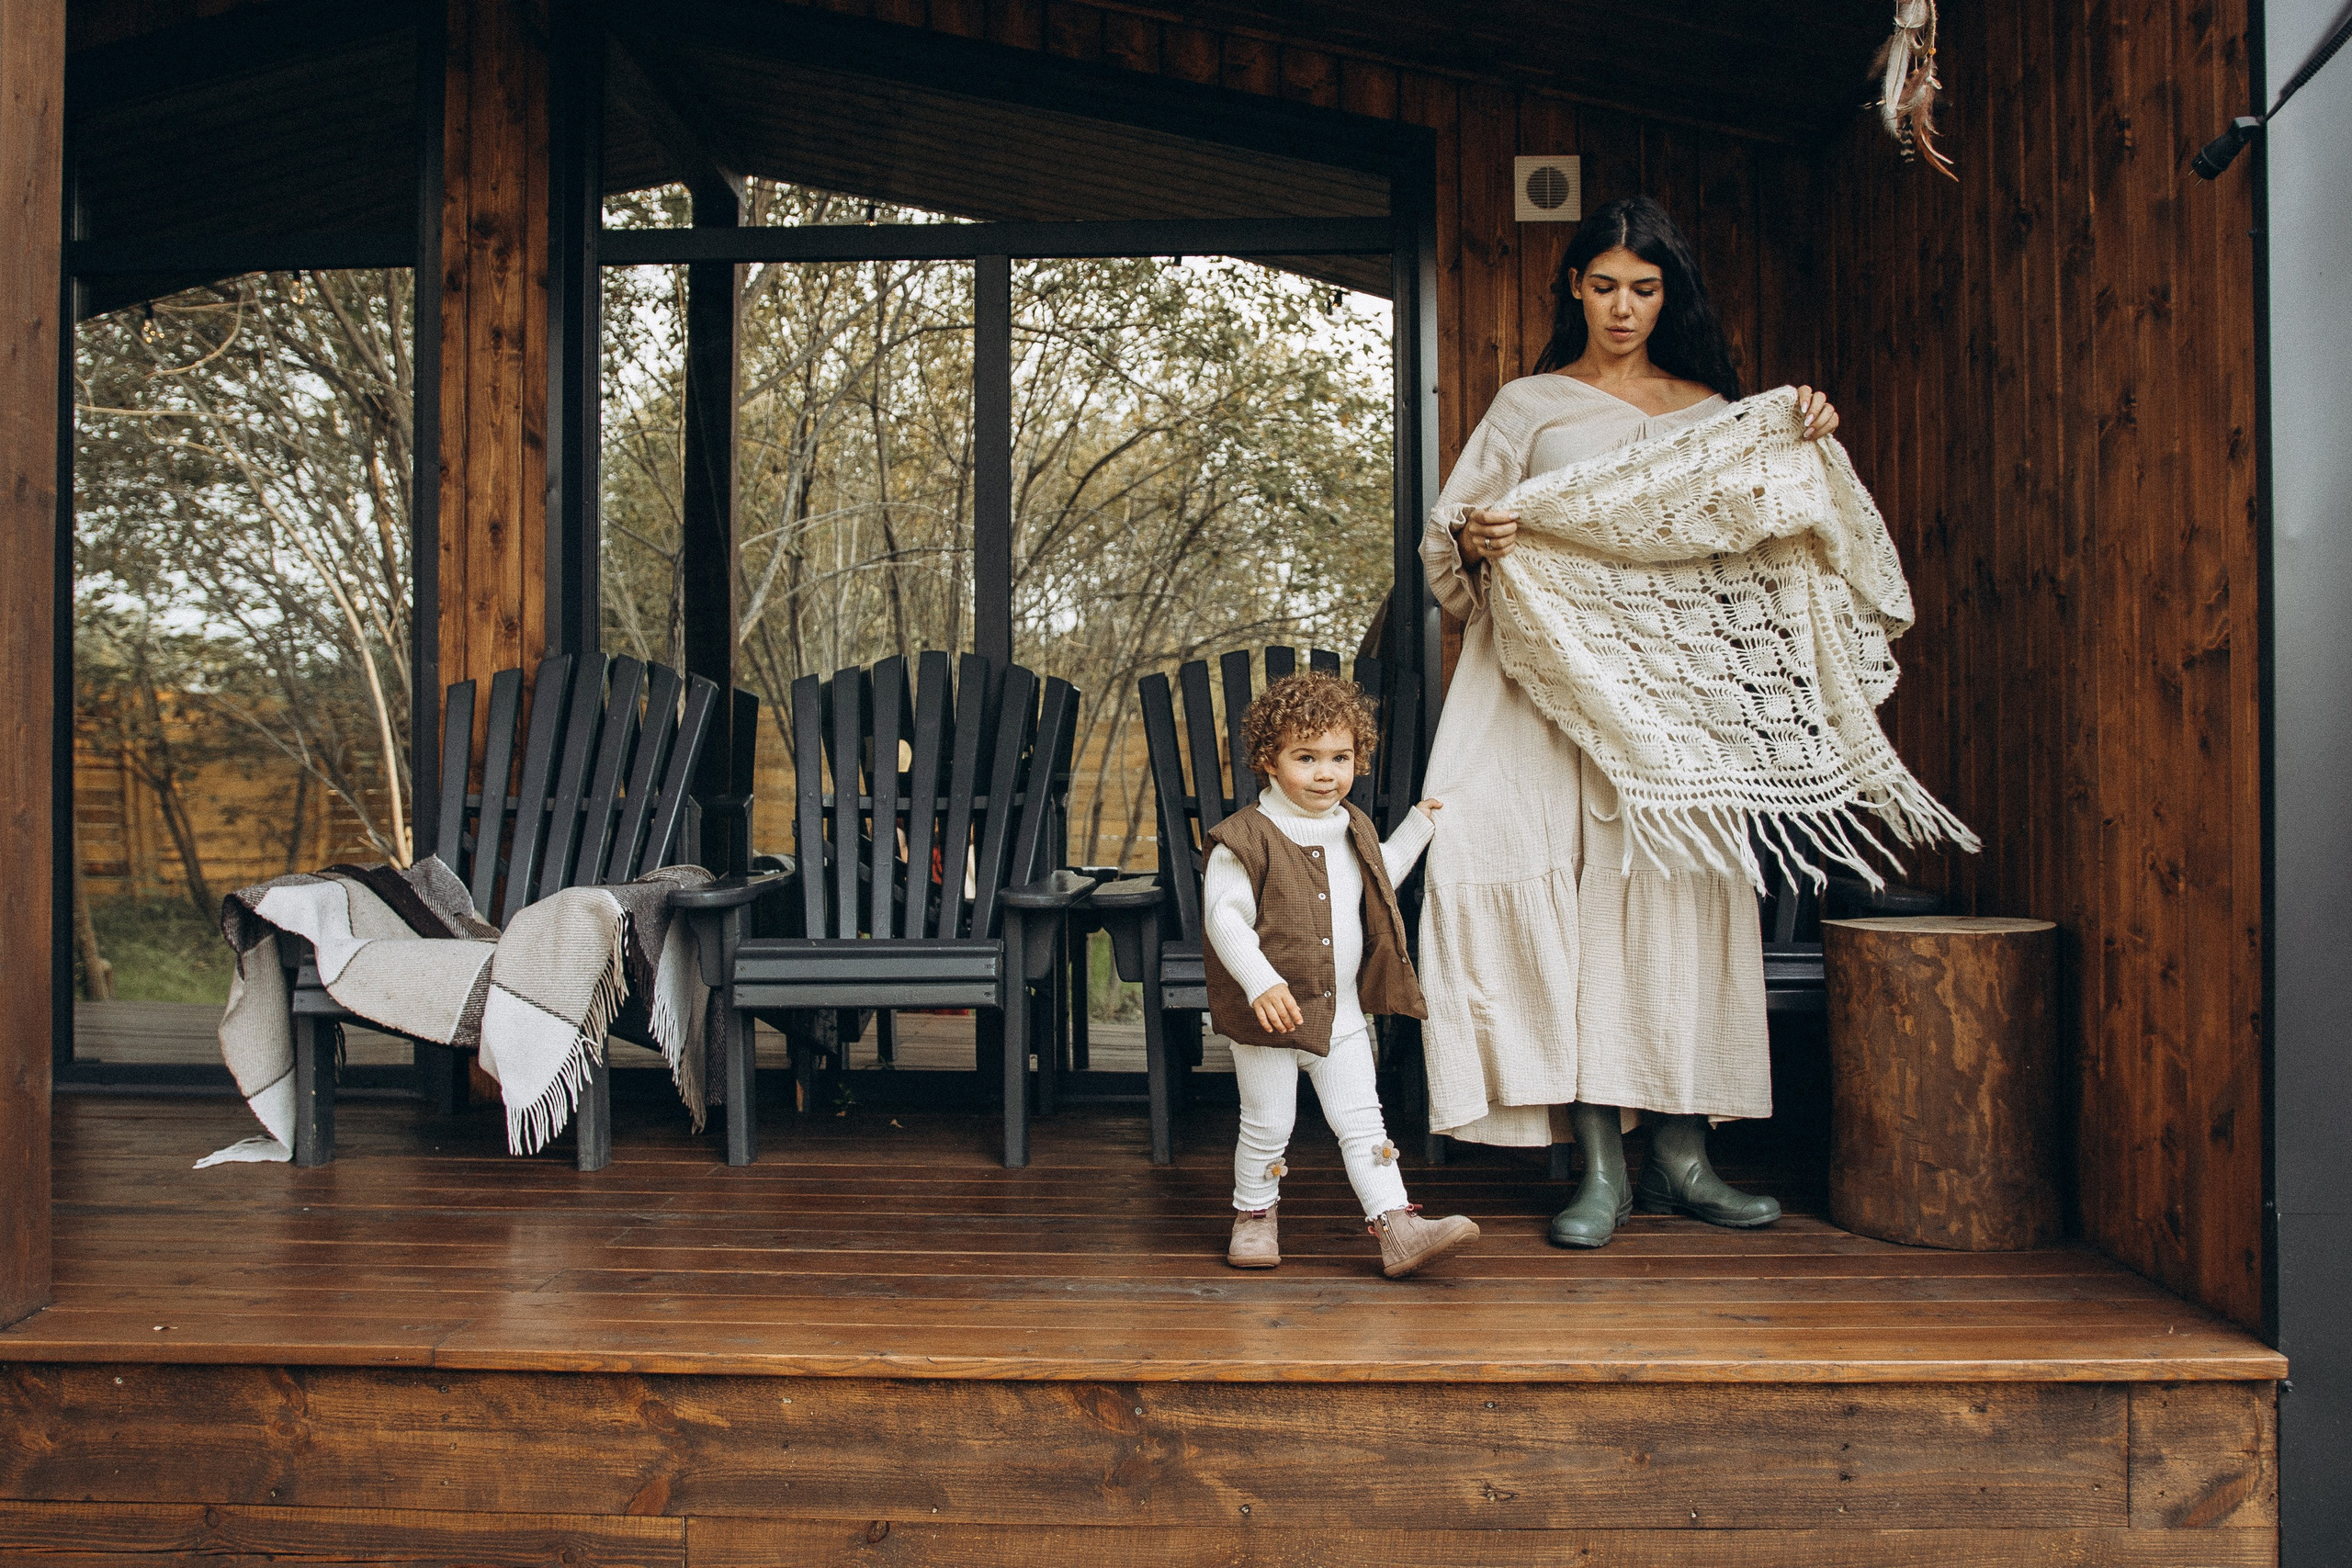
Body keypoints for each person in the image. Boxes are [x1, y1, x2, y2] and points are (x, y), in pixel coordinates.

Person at [1419, 195, 1842, 1249]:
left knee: (1678, 907)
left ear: (1669, 294)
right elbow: (1446, 554)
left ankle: (1684, 1159)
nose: (1622, 307)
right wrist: (1478, 540)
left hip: (1675, 704)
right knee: (1571, 902)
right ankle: (1600, 1164)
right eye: (1603, 284)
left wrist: (1805, 444)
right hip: (1546, 704)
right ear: (1573, 287)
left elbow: (1760, 548)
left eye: (1643, 288)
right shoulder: (1528, 407)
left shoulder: (1713, 413)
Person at [1203, 671, 1480, 1278]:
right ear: (1268, 761)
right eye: (1306, 757)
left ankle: (1397, 1224)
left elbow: (1381, 875)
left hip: (1340, 1012)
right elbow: (1224, 919)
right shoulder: (1244, 839)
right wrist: (1261, 980)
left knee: (1363, 1122)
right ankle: (1254, 1214)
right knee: (1269, 1123)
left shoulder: (1351, 826)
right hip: (1268, 1018)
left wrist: (1420, 826)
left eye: (1340, 756)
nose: (1326, 772)